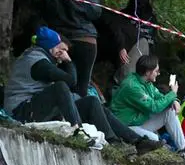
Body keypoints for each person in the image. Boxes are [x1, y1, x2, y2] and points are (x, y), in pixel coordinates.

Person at [4, 27, 163, 154]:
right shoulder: (38, 62)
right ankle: (78, 131)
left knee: (92, 102)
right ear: (50, 46)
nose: (62, 53)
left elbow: (74, 87)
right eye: (61, 49)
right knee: (60, 87)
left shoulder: (42, 58)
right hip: (22, 111)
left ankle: (128, 142)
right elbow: (71, 81)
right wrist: (69, 61)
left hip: (36, 107)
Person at [43, 0, 103, 97]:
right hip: (85, 41)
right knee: (82, 83)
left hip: (62, 41)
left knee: (65, 79)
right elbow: (96, 12)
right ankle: (78, 114)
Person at [110, 55, 185, 153]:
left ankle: (184, 149)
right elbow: (154, 107)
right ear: (147, 72)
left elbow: (160, 97)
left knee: (170, 111)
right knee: (154, 139)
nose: (158, 73)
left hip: (138, 122)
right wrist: (172, 94)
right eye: (156, 71)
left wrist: (174, 99)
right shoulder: (132, 86)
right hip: (126, 127)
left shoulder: (146, 82)